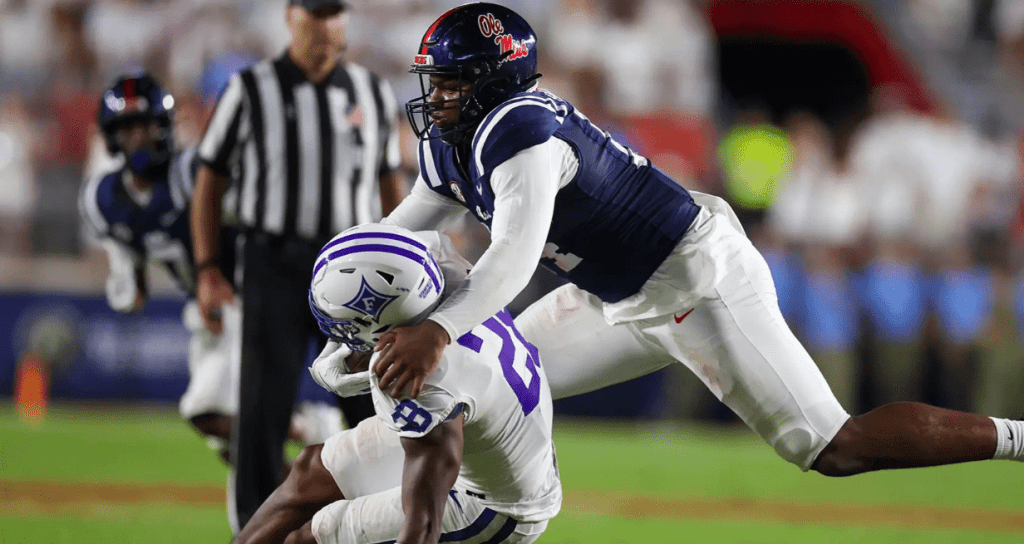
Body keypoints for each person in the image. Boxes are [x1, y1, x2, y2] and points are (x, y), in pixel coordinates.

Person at [372, 2, 1024, 478]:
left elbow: (511, 260)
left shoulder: (524, 136)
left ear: (494, 83)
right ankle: (445, 516)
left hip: (696, 280)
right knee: (480, 381)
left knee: (833, 446)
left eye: (452, 82)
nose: (437, 96)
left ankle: (1017, 439)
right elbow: (395, 236)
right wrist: (343, 297)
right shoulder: (454, 146)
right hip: (612, 294)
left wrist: (436, 329)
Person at [190, 0, 407, 528]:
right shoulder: (251, 89)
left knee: (373, 405)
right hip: (275, 262)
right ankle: (256, 530)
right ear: (290, 16)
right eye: (315, 13)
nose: (325, 26)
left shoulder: (372, 92)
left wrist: (403, 261)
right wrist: (208, 269)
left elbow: (389, 184)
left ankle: (377, 523)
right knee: (262, 411)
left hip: (356, 272)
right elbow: (209, 180)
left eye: (335, 14)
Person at [233, 224, 560, 544]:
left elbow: (423, 522)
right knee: (311, 471)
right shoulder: (442, 268)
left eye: (345, 323)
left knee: (313, 535)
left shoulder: (419, 377)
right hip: (509, 446)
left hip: (496, 506)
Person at [79, 73, 340, 470]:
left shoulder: (192, 172)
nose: (139, 138)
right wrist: (127, 284)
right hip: (207, 310)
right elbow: (126, 273)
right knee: (223, 437)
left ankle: (319, 429)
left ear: (164, 126)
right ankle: (299, 484)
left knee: (208, 411)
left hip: (248, 296)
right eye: (129, 129)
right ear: (112, 135)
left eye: (147, 126)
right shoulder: (103, 200)